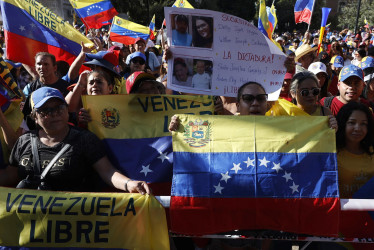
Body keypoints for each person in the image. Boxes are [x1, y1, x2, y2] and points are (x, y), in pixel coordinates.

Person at [0, 87, 150, 194]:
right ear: (35, 117)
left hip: (71, 226)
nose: (54, 114)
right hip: (29, 226)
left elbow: (107, 171)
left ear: (67, 110)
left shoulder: (84, 139)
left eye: (59, 108)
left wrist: (129, 184)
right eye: (45, 111)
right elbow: (11, 175)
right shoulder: (24, 141)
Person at [336, 102, 374, 198]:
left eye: (363, 124)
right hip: (342, 211)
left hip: (369, 212)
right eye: (352, 123)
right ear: (342, 124)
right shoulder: (331, 153)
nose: (357, 128)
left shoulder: (372, 150)